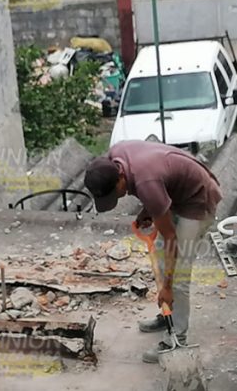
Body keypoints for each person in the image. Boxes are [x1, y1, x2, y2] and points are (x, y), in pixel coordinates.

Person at [83, 140, 222, 363]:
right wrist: (148, 209)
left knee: (178, 278)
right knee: (161, 255)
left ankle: (177, 336)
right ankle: (168, 314)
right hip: (175, 194)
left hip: (198, 199)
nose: (116, 199)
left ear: (120, 177)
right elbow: (157, 181)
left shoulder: (147, 183)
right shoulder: (115, 156)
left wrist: (166, 287)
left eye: (114, 194)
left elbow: (171, 239)